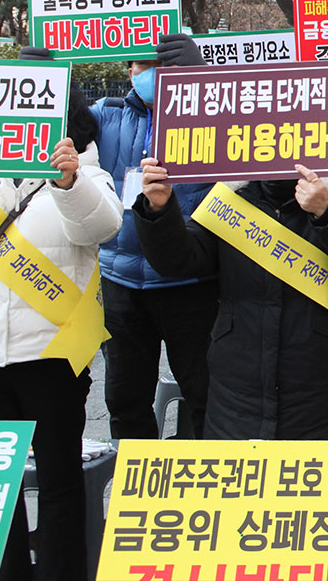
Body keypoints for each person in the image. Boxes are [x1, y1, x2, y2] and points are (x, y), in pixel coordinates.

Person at [0, 90, 121, 580]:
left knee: (59, 480)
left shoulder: (86, 176)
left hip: (51, 355)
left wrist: (69, 181)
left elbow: (101, 225)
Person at [24, 34, 218, 440]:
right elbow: (61, 130)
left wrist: (201, 80)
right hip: (120, 281)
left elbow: (254, 134)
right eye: (142, 66)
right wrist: (40, 79)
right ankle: (138, 494)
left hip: (192, 283)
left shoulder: (210, 114)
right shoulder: (106, 115)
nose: (151, 75)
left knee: (207, 394)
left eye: (161, 66)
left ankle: (206, 490)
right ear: (128, 72)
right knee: (125, 398)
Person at [133, 140, 328, 440]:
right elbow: (181, 260)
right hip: (238, 392)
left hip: (325, 392)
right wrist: (159, 210)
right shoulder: (232, 199)